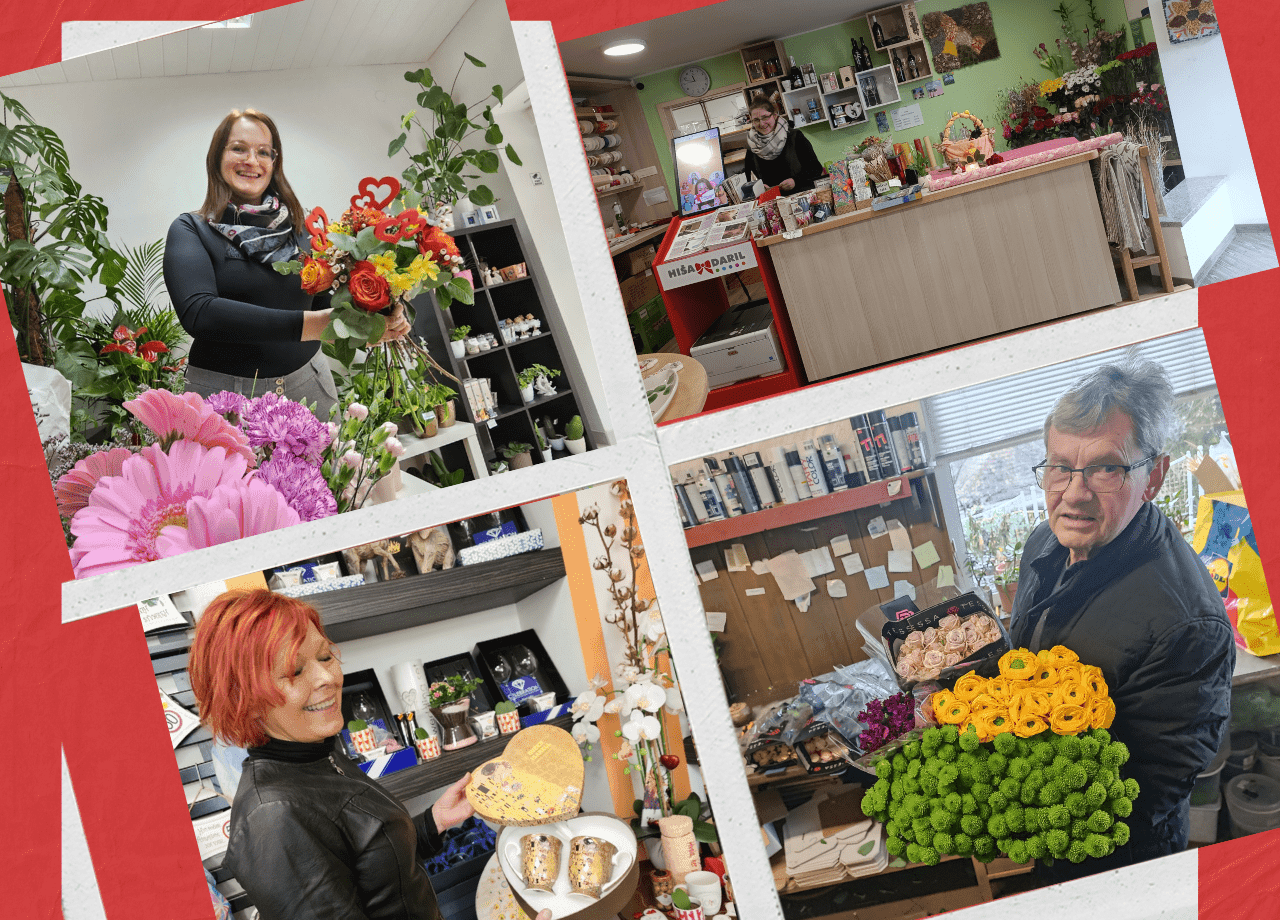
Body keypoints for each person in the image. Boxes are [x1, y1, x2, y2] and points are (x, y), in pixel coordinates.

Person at [189, 589, 546, 920]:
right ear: (244, 700)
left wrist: (431, 823)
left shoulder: (317, 753)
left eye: (325, 656)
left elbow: (368, 870)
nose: (326, 677)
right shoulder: (273, 817)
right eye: (294, 671)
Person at [1009, 356, 1234, 879]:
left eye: (1106, 468)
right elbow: (1026, 653)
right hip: (1048, 827)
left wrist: (1011, 805)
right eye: (1059, 465)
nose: (1073, 492)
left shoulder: (1187, 625)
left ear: (1153, 476)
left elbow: (1144, 794)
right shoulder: (1047, 540)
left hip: (1119, 858)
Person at [164, 109, 410, 420]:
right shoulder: (191, 229)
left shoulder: (301, 229)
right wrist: (313, 325)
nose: (252, 160)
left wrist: (377, 317)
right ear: (217, 157)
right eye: (239, 148)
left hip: (308, 384)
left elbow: (324, 301)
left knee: (333, 470)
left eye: (264, 152)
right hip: (227, 399)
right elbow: (199, 313)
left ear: (274, 163)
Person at [741, 95, 826, 195]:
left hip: (803, 197)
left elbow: (815, 168)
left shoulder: (795, 137)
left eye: (765, 117)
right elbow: (747, 179)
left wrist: (795, 181)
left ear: (775, 115)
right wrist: (759, 186)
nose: (762, 123)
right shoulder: (752, 146)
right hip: (772, 204)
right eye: (756, 120)